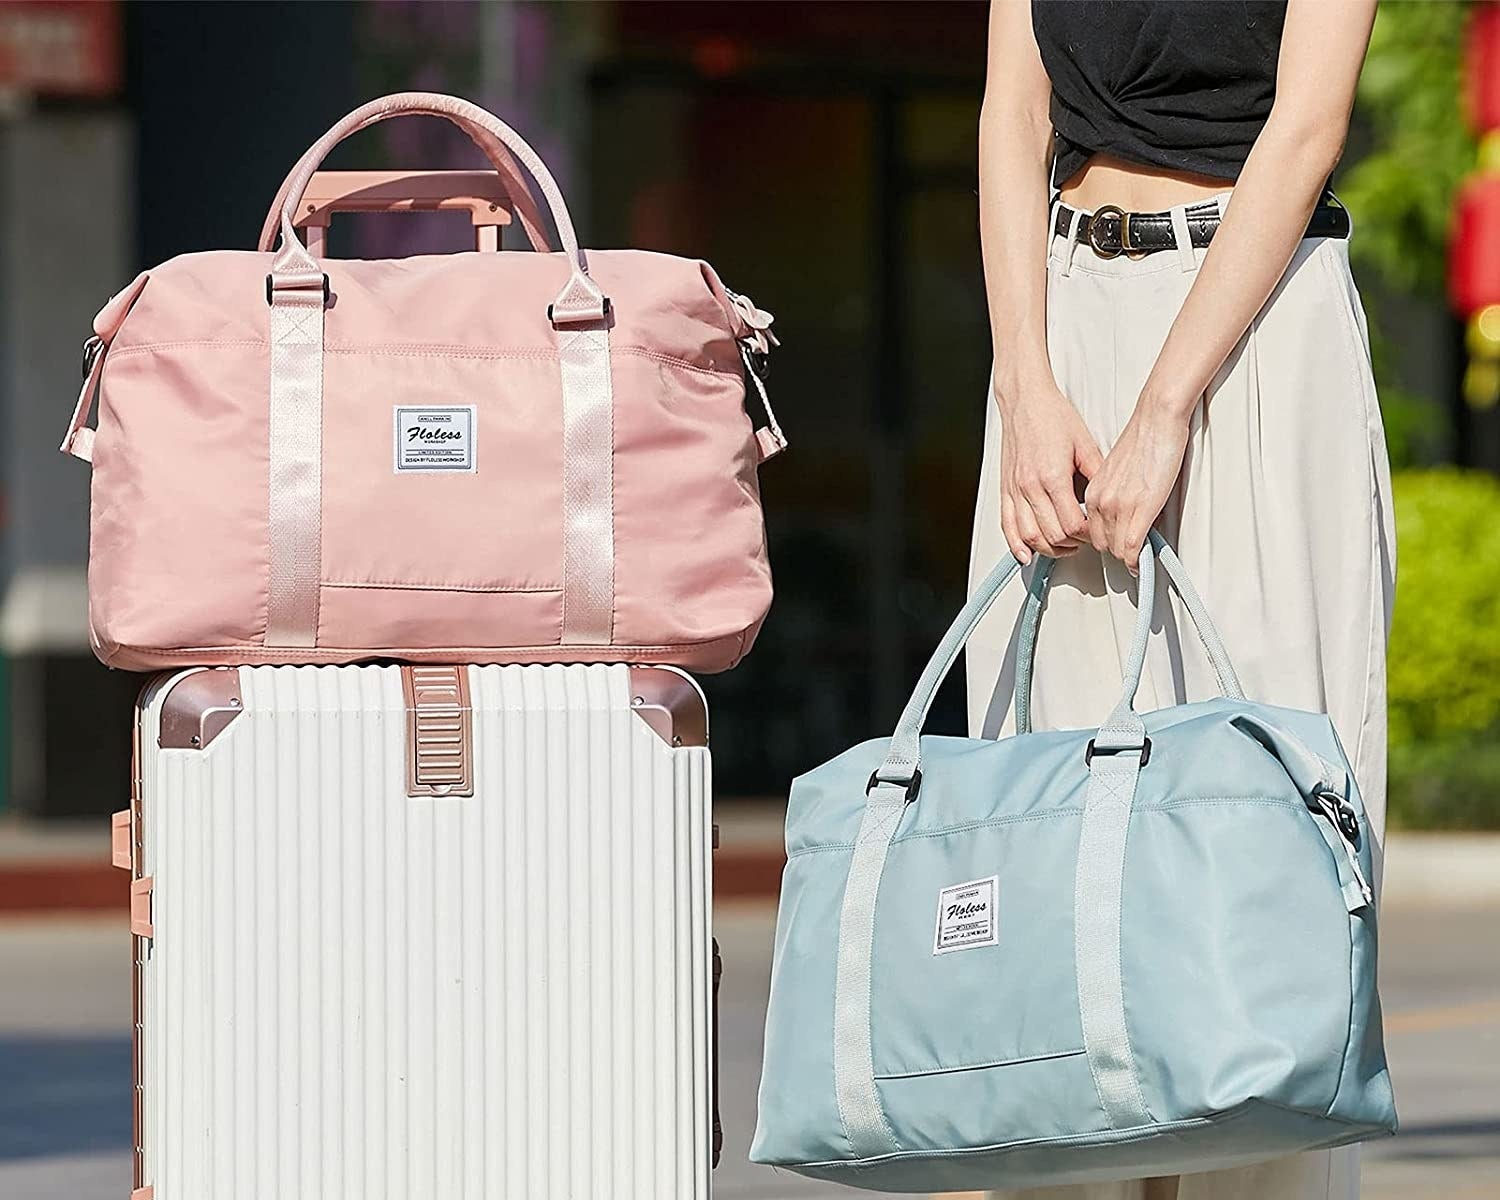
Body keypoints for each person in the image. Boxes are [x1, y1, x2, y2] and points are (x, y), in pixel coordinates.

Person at [969, 2, 1391, 1198]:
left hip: (1255, 337)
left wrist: (1168, 408)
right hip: (1059, 333)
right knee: (1048, 830)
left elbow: (1306, 127)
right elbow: (1013, 108)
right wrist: (1024, 384)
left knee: (1256, 847)